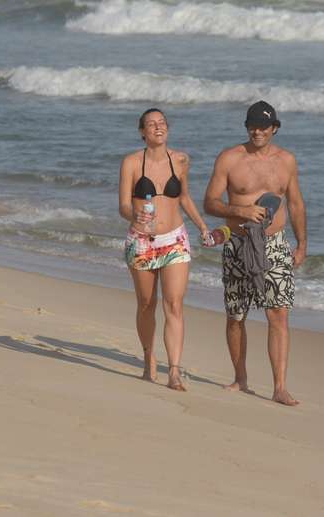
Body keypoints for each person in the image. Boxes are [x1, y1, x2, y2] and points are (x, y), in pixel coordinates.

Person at [204, 100, 307, 406]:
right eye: (251, 125)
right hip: (237, 241)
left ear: (274, 128)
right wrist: (241, 210)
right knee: (236, 315)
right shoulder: (229, 158)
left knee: (279, 314)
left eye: (263, 126)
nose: (257, 131)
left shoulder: (286, 160)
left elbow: (297, 204)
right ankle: (240, 377)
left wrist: (302, 244)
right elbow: (210, 202)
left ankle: (279, 387)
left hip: (274, 245)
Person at [119, 108, 209, 391]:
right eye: (151, 124)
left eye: (162, 123)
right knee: (147, 304)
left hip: (175, 239)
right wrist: (134, 216)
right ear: (142, 132)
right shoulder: (132, 163)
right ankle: (148, 359)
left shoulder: (180, 160)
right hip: (142, 241)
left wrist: (203, 226)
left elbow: (184, 197)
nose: (158, 127)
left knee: (175, 304)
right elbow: (123, 205)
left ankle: (174, 371)